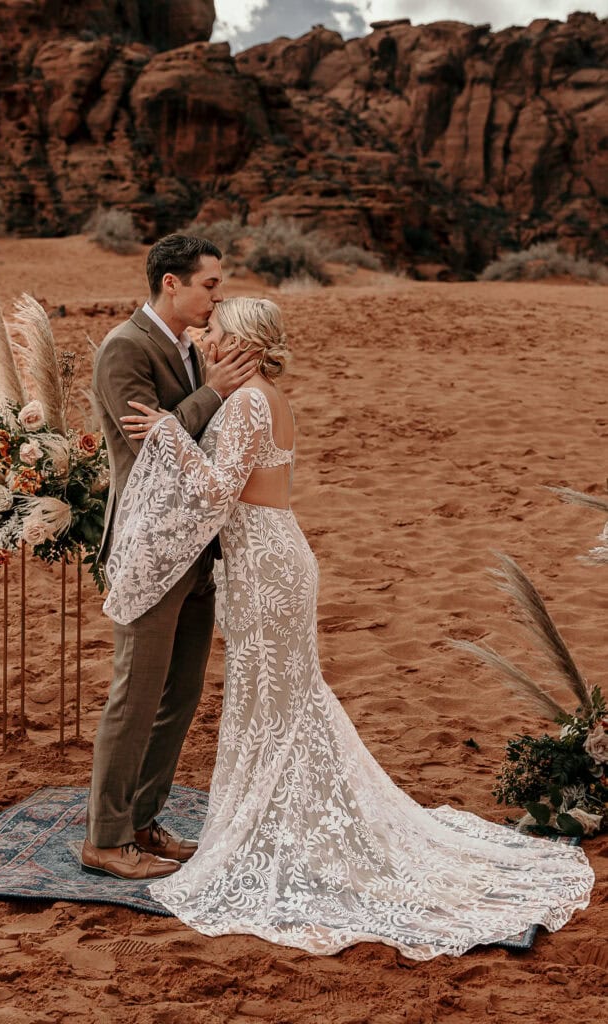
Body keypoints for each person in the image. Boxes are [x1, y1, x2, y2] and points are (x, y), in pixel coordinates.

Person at [104, 297, 594, 958]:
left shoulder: (249, 402)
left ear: (244, 344)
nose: (204, 336)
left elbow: (220, 490)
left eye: (215, 331)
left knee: (280, 705)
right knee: (277, 705)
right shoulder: (257, 397)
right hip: (261, 564)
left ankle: (286, 834)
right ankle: (280, 825)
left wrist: (166, 433)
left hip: (269, 570)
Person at [82, 235, 257, 881]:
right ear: (171, 284)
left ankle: (145, 821)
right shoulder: (125, 349)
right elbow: (149, 452)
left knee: (178, 697)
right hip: (149, 546)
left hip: (198, 545)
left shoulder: (187, 346)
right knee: (135, 695)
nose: (218, 295)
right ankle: (104, 839)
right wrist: (211, 391)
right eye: (210, 284)